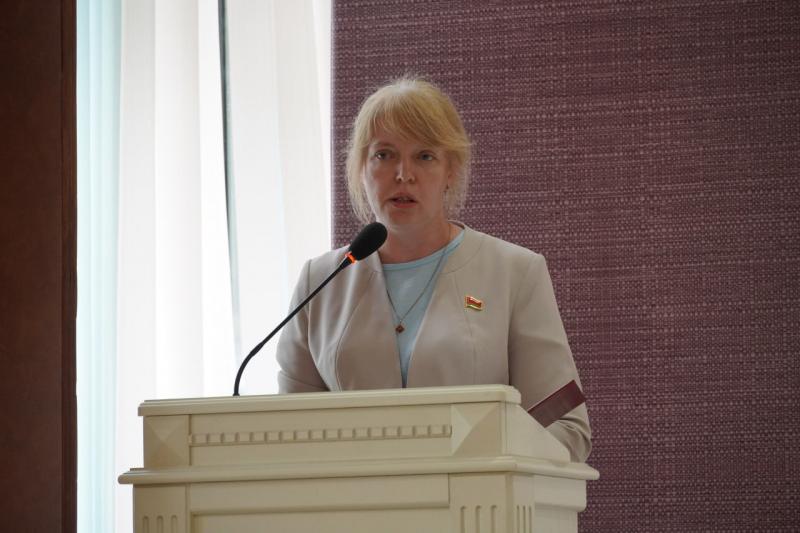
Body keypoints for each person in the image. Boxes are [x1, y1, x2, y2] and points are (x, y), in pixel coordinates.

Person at [276, 77, 591, 462]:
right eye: (384, 155)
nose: (403, 174)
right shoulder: (321, 281)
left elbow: (563, 427)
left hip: (476, 496)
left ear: (451, 170)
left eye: (424, 156)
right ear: (360, 168)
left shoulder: (515, 272)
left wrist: (484, 462)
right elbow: (289, 433)